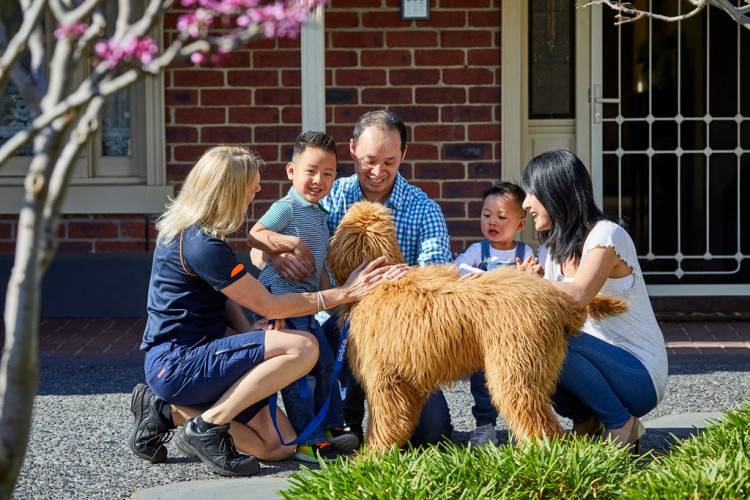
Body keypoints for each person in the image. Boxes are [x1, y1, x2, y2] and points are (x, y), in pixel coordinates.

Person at [129, 146, 405, 477]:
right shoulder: (200, 244)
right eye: (252, 185)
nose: (257, 190)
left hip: (195, 362)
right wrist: (344, 292)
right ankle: (208, 425)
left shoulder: (202, 234)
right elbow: (269, 304)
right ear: (228, 189)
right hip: (179, 363)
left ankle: (166, 411)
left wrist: (246, 330)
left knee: (279, 446)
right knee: (304, 347)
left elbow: (226, 296)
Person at [253, 110, 454, 446]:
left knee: (430, 433)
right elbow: (258, 249)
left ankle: (374, 414)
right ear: (352, 150)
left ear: (403, 154)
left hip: (399, 335)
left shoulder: (424, 209)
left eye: (390, 161)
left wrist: (403, 277)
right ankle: (341, 421)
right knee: (336, 357)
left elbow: (438, 275)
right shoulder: (329, 194)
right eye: (369, 160)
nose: (378, 171)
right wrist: (274, 255)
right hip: (334, 323)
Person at [519, 149, 668, 450]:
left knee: (551, 339)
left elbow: (578, 295)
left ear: (554, 190)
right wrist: (531, 284)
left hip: (638, 375)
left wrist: (523, 285)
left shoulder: (606, 235)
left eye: (531, 193)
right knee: (528, 339)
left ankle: (621, 424)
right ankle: (584, 421)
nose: (525, 204)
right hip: (598, 368)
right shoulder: (554, 251)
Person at [246, 131, 358, 462]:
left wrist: (334, 302)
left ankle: (333, 428)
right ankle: (307, 438)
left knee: (325, 366)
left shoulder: (320, 215)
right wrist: (290, 244)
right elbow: (255, 235)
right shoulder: (288, 208)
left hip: (307, 309)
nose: (318, 180)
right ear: (291, 171)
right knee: (296, 375)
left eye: (327, 174)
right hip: (282, 307)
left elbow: (318, 271)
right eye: (310, 171)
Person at [453, 182, 535, 446]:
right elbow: (457, 269)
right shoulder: (479, 252)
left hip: (516, 332)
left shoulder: (525, 253)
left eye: (501, 217)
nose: (492, 222)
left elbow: (532, 285)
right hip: (483, 332)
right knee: (482, 382)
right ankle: (485, 425)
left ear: (520, 225)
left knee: (518, 379)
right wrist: (475, 275)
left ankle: (520, 425)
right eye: (486, 215)